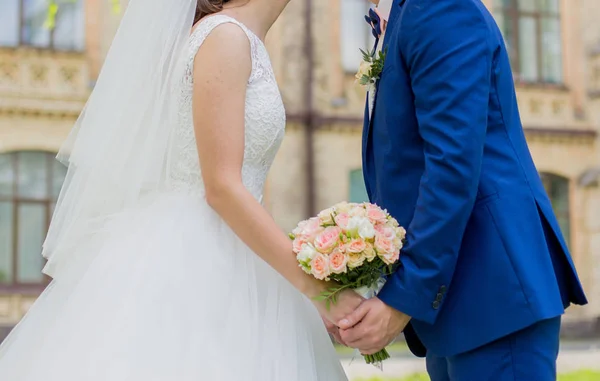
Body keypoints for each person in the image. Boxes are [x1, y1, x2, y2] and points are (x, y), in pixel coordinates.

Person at [0, 0, 358, 379]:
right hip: (197, 260)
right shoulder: (224, 37)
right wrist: (321, 289)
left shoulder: (241, 38)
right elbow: (221, 187)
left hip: (239, 252)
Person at [336, 0, 588, 380]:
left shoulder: (439, 5)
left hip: (494, 296)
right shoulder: (399, 17)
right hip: (454, 305)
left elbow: (451, 166)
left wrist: (404, 298)